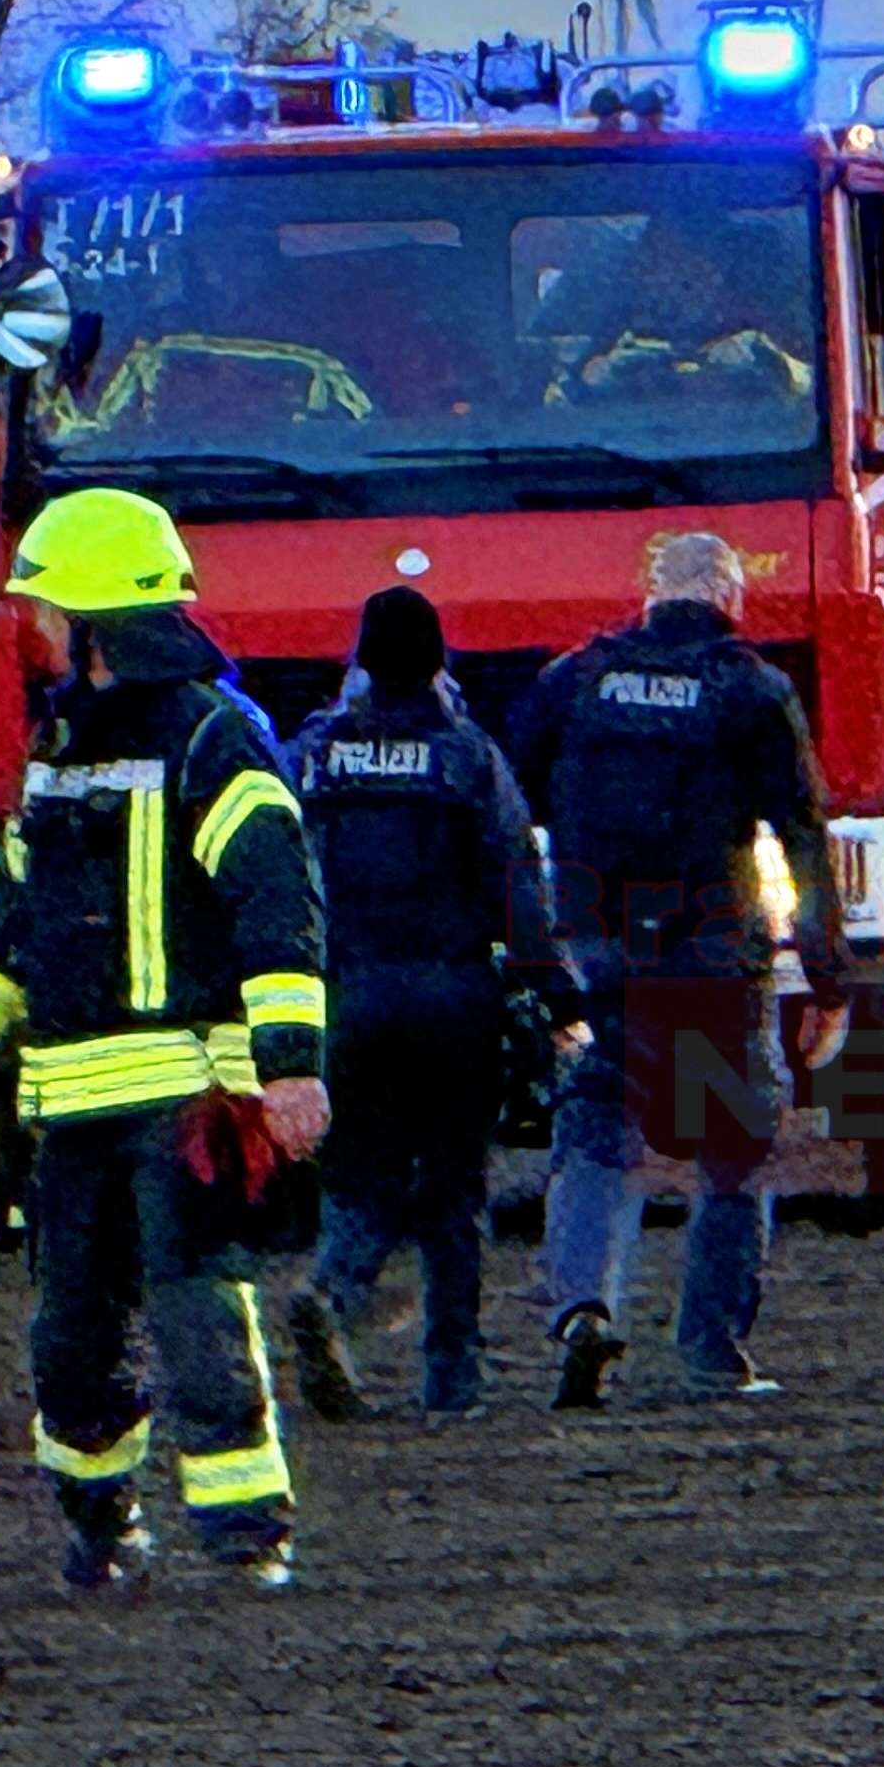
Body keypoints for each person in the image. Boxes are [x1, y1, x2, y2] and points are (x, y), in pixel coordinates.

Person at [0, 489, 330, 1593]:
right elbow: (16, 919)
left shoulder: (215, 738)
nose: (28, 626)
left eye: (43, 607)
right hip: (73, 1113)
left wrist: (289, 1070)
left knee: (200, 1322)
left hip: (188, 1099)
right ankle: (101, 1526)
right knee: (72, 1342)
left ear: (92, 621)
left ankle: (247, 1541)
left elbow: (278, 909)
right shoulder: (61, 743)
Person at [505, 532, 845, 1406]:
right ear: (730, 596)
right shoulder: (753, 689)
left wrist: (536, 940)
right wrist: (826, 973)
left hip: (599, 950)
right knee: (734, 1148)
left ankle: (582, 1308)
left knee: (595, 1128)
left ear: (650, 593)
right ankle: (712, 1352)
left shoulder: (575, 679)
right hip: (714, 957)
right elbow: (803, 834)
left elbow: (509, 800)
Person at [281, 586, 547, 1421]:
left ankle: (333, 1288)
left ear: (361, 660)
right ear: (439, 662)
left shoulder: (315, 754)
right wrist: (550, 991)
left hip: (346, 995)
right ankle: (452, 1380)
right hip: (452, 1000)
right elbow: (518, 876)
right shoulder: (467, 755)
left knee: (359, 1176)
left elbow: (277, 864)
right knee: (454, 1192)